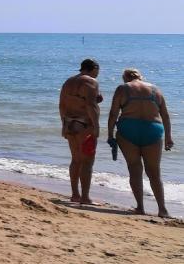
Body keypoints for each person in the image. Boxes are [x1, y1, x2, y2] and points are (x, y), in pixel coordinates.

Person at [107, 68, 173, 217]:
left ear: (124, 78)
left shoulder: (122, 89)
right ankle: (162, 209)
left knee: (135, 169)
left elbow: (113, 114)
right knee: (154, 172)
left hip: (129, 130)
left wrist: (110, 134)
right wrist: (169, 137)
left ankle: (140, 208)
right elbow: (165, 115)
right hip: (153, 130)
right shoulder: (156, 90)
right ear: (141, 77)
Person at [59, 58, 102, 205]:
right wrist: (96, 126)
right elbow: (91, 106)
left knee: (76, 159)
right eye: (98, 70)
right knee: (87, 162)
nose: (98, 74)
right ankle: (85, 197)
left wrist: (63, 124)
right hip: (85, 125)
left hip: (70, 123)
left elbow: (62, 105)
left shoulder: (68, 82)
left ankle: (75, 194)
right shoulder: (91, 81)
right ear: (94, 68)